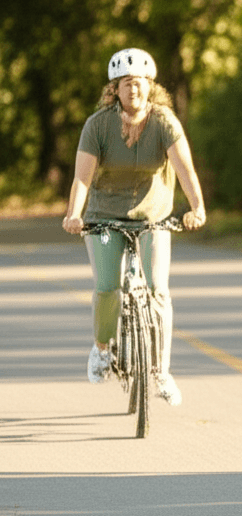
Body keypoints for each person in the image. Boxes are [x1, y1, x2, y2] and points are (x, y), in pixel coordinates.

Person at [62, 47, 206, 406]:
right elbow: (82, 178)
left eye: (139, 83)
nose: (133, 90)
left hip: (153, 215)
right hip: (104, 214)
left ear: (150, 86)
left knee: (159, 290)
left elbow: (185, 169)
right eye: (126, 84)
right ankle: (100, 349)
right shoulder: (98, 125)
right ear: (115, 90)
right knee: (107, 287)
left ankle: (161, 371)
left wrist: (197, 207)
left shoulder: (164, 121)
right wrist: (73, 214)